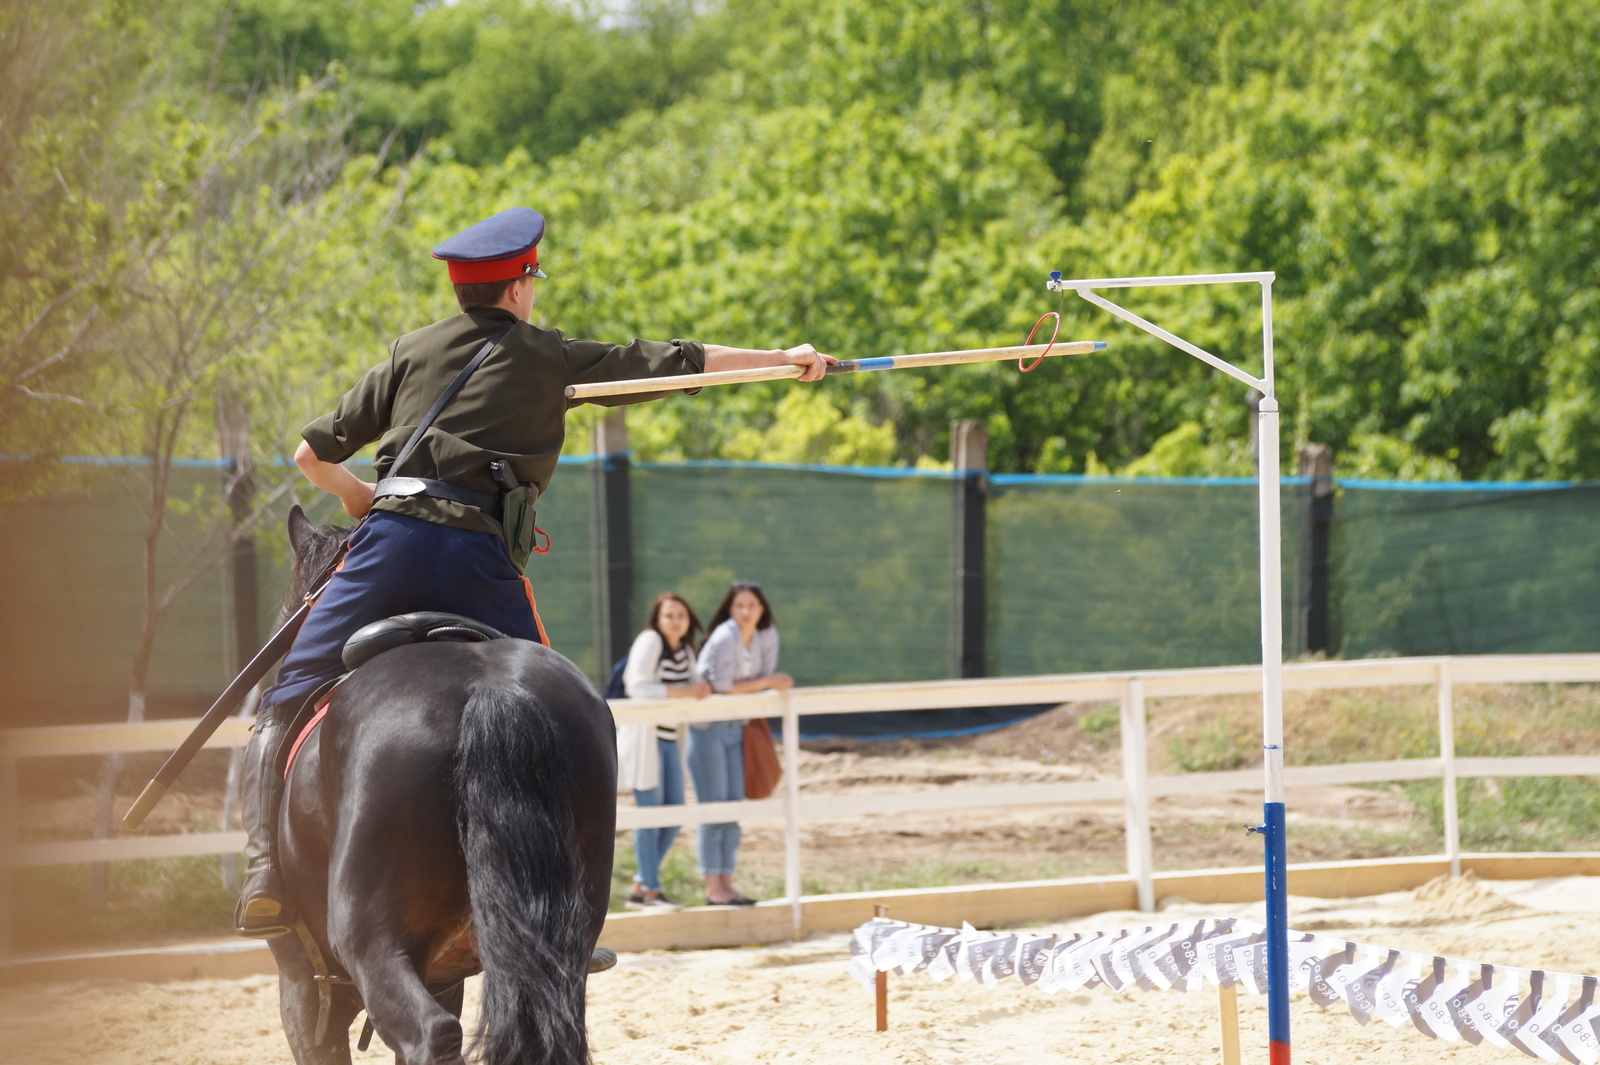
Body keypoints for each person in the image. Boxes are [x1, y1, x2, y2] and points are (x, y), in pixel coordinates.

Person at [236, 206, 833, 937]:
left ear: (462, 289)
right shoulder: (545, 355)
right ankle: (572, 908)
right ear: (518, 287)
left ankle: (264, 871)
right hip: (479, 562)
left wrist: (363, 498)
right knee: (564, 712)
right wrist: (782, 357)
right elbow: (674, 361)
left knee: (286, 695)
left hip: (386, 549)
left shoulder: (407, 350)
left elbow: (308, 456)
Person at [689, 580, 792, 906]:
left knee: (734, 807)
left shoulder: (768, 635)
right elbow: (720, 686)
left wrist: (761, 683)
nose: (746, 612)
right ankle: (712, 886)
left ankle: (727, 882)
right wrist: (765, 683)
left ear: (762, 609)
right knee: (714, 808)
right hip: (708, 728)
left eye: (752, 606)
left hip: (740, 726)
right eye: (740, 606)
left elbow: (756, 680)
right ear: (730, 610)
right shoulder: (724, 636)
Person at [616, 592, 711, 909]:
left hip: (670, 740)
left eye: (681, 615)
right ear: (657, 618)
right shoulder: (649, 641)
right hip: (646, 740)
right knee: (652, 816)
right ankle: (651, 890)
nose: (675, 621)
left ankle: (643, 883)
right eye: (669, 615)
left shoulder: (684, 649)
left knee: (674, 814)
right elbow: (637, 687)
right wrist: (684, 691)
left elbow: (697, 684)